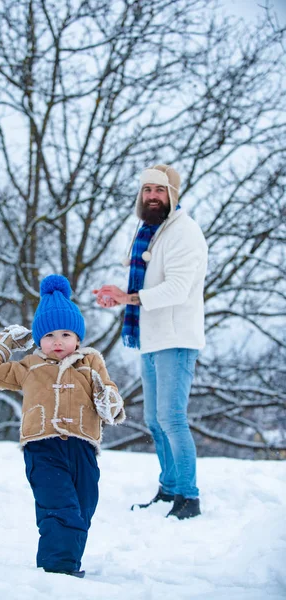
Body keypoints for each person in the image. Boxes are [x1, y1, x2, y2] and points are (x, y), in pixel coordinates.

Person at [0, 274, 125, 577]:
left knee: (82, 510)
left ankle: (68, 565)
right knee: (59, 508)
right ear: (38, 339)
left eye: (67, 334)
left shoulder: (90, 363)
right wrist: (4, 343)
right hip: (43, 448)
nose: (58, 341)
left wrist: (108, 398)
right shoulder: (30, 366)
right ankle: (58, 572)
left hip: (83, 449)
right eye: (50, 335)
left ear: (78, 338)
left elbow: (111, 402)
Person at [93, 164, 207, 520]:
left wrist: (128, 298)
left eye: (159, 190)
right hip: (152, 337)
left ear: (172, 194)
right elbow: (147, 283)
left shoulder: (183, 232)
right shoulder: (149, 231)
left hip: (176, 337)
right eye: (147, 190)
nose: (152, 196)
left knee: (172, 418)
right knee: (156, 422)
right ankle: (169, 488)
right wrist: (121, 296)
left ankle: (189, 498)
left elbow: (176, 289)